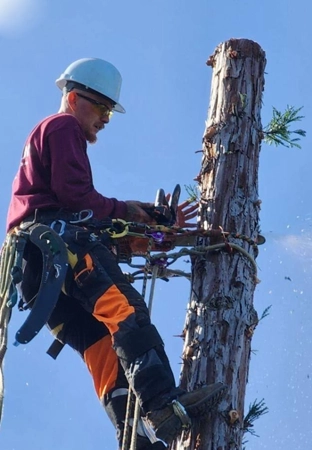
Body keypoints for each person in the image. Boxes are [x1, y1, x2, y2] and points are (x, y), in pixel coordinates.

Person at [5, 58, 225, 449]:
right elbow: (77, 199)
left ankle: (136, 438)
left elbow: (80, 207)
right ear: (73, 98)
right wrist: (132, 212)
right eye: (102, 107)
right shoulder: (61, 126)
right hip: (58, 249)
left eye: (110, 110)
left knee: (103, 350)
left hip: (38, 278)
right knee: (126, 312)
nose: (106, 118)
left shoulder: (49, 139)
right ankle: (161, 405)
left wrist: (141, 222)